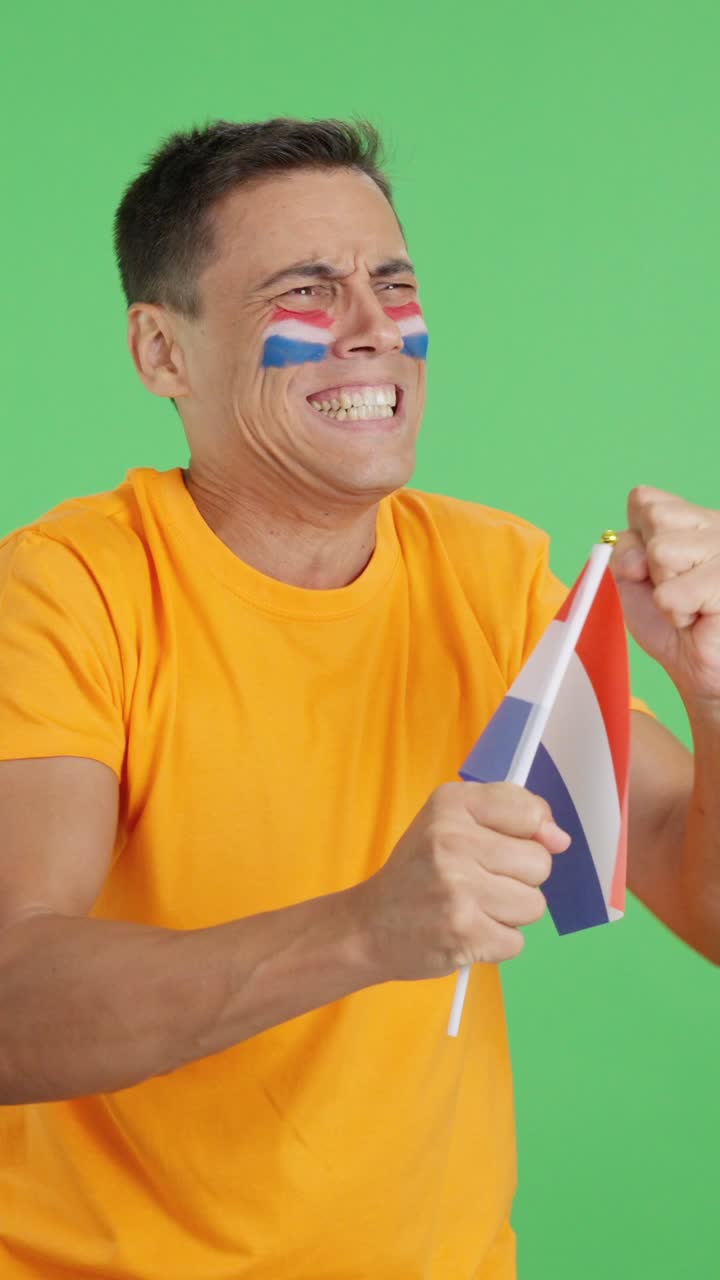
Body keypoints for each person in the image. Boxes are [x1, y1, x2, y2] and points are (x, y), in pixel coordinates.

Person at [0, 117, 716, 1280]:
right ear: (162, 352)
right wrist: (363, 928)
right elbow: (10, 993)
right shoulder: (70, 588)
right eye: (307, 289)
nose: (377, 329)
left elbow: (697, 877)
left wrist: (713, 695)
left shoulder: (490, 576)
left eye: (392, 282)